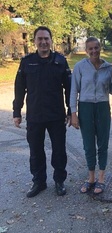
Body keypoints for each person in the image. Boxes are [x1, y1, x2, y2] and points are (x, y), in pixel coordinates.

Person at [13, 26, 71, 198]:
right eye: (40, 39)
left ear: (51, 40)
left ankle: (59, 181)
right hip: (35, 116)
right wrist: (17, 111)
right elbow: (19, 88)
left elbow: (69, 88)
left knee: (59, 150)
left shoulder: (60, 61)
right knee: (36, 151)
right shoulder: (27, 62)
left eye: (46, 38)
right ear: (35, 41)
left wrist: (70, 110)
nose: (43, 42)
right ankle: (39, 182)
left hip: (56, 115)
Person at [70, 37, 112, 195]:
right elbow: (74, 90)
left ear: (100, 48)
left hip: (103, 107)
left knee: (103, 144)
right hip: (85, 107)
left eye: (96, 48)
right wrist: (73, 113)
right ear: (86, 51)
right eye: (90, 48)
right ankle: (91, 178)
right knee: (88, 144)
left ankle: (102, 178)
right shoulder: (80, 67)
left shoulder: (108, 67)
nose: (94, 51)